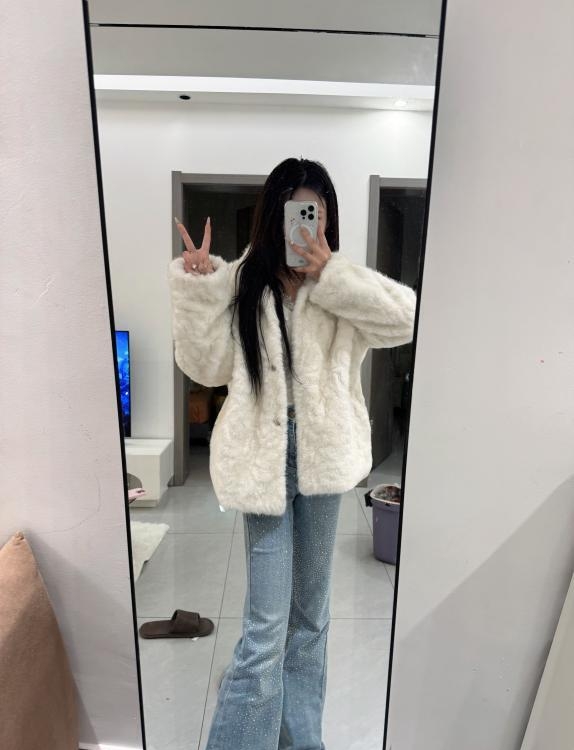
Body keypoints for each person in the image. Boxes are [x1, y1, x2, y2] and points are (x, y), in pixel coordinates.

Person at [168, 158, 416, 750]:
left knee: (311, 619)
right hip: (265, 461)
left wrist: (331, 274)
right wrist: (198, 289)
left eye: (317, 212)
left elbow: (406, 320)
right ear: (273, 215)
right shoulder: (241, 282)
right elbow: (205, 367)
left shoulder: (339, 287)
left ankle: (302, 742)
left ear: (328, 218)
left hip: (323, 461)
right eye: (296, 210)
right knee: (266, 627)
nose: (306, 222)